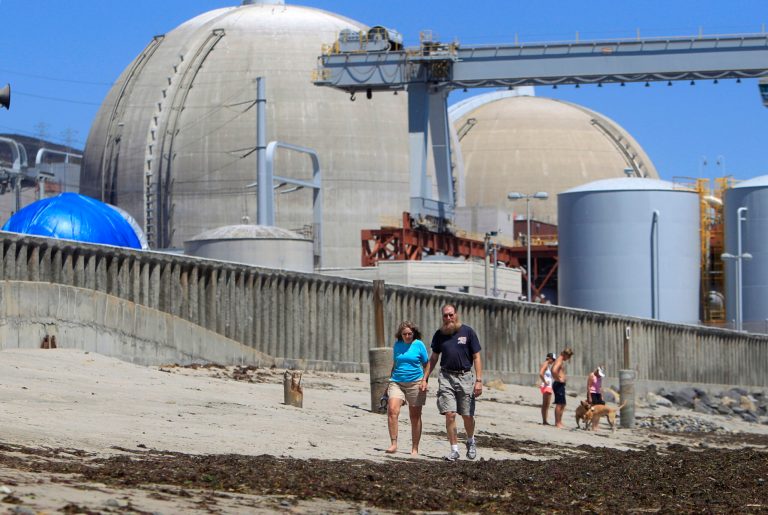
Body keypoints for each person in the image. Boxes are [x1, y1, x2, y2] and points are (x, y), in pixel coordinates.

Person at [421, 304, 483, 461]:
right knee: (450, 414)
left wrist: (479, 381)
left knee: (467, 415)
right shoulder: (440, 334)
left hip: (466, 377)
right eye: (445, 316)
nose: (448, 318)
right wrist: (425, 378)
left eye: (451, 315)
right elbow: (434, 357)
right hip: (446, 377)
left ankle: (470, 440)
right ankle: (454, 449)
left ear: (456, 314)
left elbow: (476, 357)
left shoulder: (467, 332)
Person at [385, 321, 429, 456]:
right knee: (392, 410)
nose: (408, 336)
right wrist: (388, 383)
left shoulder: (419, 345)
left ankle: (415, 448)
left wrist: (424, 380)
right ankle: (393, 444)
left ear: (413, 334)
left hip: (415, 382)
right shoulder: (397, 345)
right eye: (405, 334)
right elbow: (396, 364)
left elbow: (427, 364)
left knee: (414, 416)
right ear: (401, 335)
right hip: (397, 382)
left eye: (410, 334)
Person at [551, 347, 574, 429]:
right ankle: (557, 423)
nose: (569, 359)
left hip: (559, 384)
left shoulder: (560, 360)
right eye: (569, 357)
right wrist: (558, 378)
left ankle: (559, 421)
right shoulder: (559, 360)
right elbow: (553, 370)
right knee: (559, 404)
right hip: (558, 384)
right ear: (565, 354)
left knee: (563, 404)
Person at [538, 352, 556, 425]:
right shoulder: (545, 364)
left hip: (546, 386)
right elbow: (540, 374)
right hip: (547, 387)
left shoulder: (546, 365)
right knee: (546, 405)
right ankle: (545, 421)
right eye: (553, 359)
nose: (553, 361)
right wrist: (545, 382)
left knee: (545, 405)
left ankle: (545, 420)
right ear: (549, 358)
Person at [586, 366, 606, 430]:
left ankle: (596, 424)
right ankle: (593, 425)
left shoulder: (600, 377)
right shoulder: (592, 375)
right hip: (592, 393)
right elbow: (588, 386)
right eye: (599, 374)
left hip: (598, 393)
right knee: (594, 410)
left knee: (599, 410)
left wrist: (602, 396)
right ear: (597, 371)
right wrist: (589, 397)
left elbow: (600, 387)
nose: (599, 375)